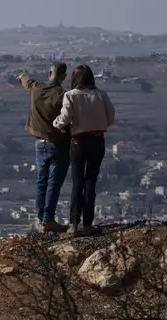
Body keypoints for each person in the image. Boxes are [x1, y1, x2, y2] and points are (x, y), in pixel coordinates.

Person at [53, 64, 115, 237]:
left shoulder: (70, 95)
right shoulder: (101, 95)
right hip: (97, 140)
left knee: (77, 182)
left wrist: (55, 124)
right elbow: (111, 118)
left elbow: (64, 119)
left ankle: (74, 224)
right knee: (91, 181)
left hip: (78, 141)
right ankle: (88, 224)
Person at [17, 62, 70, 233]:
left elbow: (26, 81)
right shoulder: (63, 95)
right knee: (54, 183)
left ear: (49, 73)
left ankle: (41, 220)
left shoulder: (37, 89)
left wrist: (21, 76)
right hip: (58, 143)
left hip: (39, 143)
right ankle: (48, 220)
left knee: (42, 181)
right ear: (63, 76)